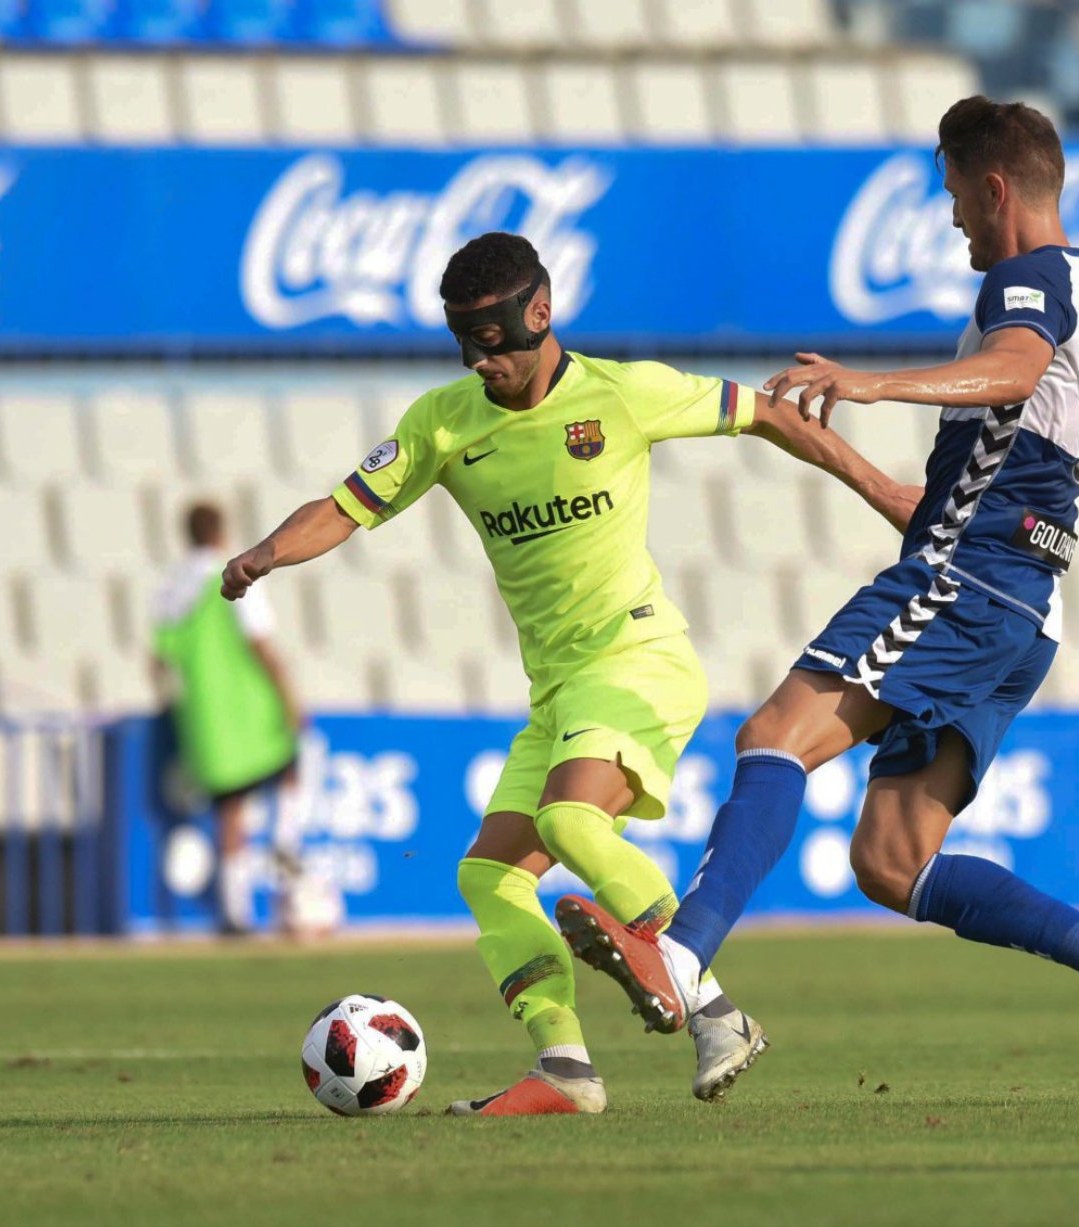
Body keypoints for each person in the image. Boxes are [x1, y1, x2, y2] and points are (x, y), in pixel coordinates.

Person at [558, 96, 1079, 1102]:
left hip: (965, 582)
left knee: (776, 735)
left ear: (995, 188)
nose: (951, 215)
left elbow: (1008, 371)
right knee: (891, 858)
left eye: (955, 193)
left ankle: (683, 958)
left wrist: (873, 384)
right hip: (1021, 613)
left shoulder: (1028, 285)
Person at [219, 231, 910, 1116]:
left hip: (640, 660)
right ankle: (566, 1070)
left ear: (539, 312)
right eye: (464, 340)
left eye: (495, 336)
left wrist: (887, 492)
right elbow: (346, 508)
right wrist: (267, 555)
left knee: (569, 818)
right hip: (558, 690)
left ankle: (711, 1006)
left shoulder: (624, 394)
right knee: (490, 878)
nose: (482, 358)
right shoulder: (443, 422)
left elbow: (772, 413)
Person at [151, 501, 303, 936]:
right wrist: (289, 697)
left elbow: (159, 662)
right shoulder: (234, 574)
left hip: (204, 719)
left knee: (230, 812)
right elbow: (259, 643)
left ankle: (234, 915)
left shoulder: (170, 589)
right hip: (249, 708)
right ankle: (285, 839)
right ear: (220, 531)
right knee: (291, 766)